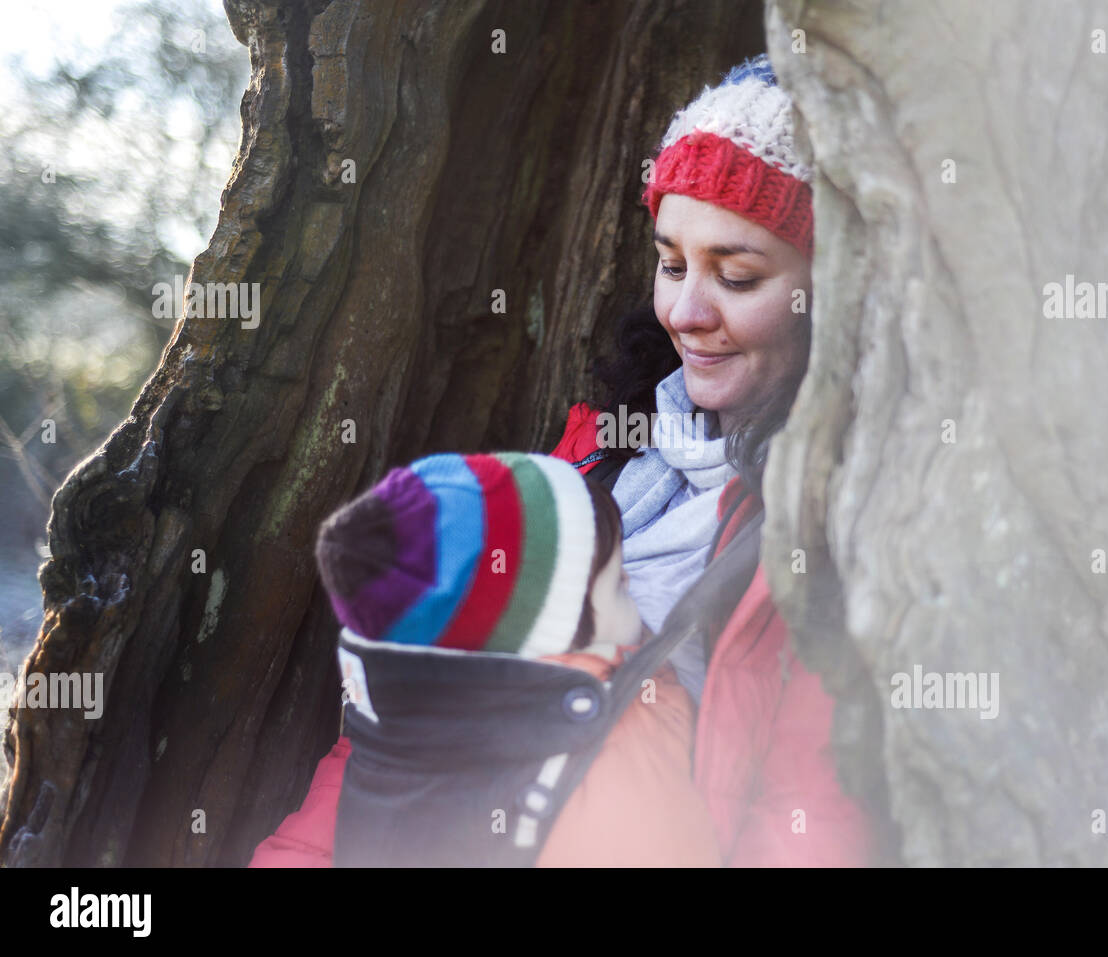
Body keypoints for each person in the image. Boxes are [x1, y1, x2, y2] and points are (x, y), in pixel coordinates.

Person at [251, 52, 879, 867]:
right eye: (672, 263)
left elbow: (809, 815)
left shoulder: (843, 513)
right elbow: (416, 702)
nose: (686, 312)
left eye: (737, 274)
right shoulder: (600, 450)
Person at [250, 451, 721, 867]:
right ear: (548, 639)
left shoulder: (399, 747)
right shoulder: (608, 782)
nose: (635, 589)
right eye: (618, 582)